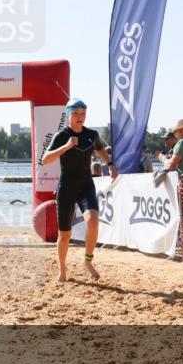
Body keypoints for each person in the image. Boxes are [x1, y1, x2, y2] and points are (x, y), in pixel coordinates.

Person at [41, 98, 116, 282]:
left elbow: (100, 149)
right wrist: (66, 147)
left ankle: (88, 261)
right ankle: (62, 268)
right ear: (68, 115)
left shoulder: (91, 134)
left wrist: (110, 164)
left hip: (85, 185)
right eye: (75, 114)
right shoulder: (61, 135)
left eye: (82, 114)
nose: (79, 117)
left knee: (93, 221)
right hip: (66, 186)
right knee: (65, 235)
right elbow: (45, 159)